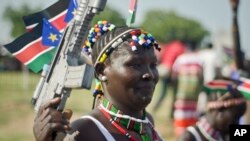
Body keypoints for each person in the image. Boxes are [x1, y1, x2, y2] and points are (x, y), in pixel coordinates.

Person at [33, 21, 164, 141]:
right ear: (101, 71)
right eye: (135, 65)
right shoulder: (82, 132)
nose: (150, 74)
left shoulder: (146, 121)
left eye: (153, 65)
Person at [178, 78, 247, 141]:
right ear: (220, 109)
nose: (237, 123)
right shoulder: (189, 138)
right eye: (235, 119)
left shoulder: (222, 135)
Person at [171, 41, 204, 137]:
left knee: (181, 113)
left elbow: (174, 75)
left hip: (182, 92)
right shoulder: (199, 60)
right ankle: (191, 134)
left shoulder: (181, 58)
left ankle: (181, 135)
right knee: (192, 112)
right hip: (194, 92)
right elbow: (201, 76)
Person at [153, 40, 186, 117]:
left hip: (164, 69)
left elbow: (161, 55)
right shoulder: (181, 47)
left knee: (163, 93)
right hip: (172, 72)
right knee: (175, 94)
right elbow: (179, 61)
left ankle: (155, 108)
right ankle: (172, 113)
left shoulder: (169, 46)